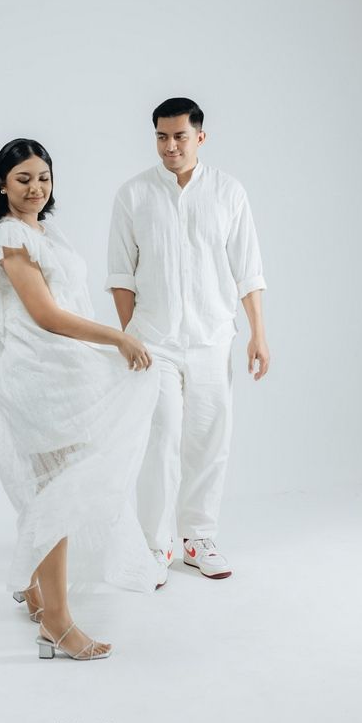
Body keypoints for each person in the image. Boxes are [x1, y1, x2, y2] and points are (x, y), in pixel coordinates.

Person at [0, 138, 160, 661]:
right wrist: (117, 338)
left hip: (62, 373)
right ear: (2, 184)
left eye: (43, 177)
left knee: (51, 492)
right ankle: (56, 623)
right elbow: (47, 315)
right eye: (23, 179)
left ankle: (37, 592)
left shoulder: (43, 230)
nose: (36, 188)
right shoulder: (10, 236)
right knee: (57, 495)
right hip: (39, 379)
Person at [105, 97, 270, 587]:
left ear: (200, 137)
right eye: (162, 136)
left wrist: (258, 334)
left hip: (212, 338)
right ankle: (156, 545)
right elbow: (121, 274)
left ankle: (198, 538)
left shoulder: (228, 192)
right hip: (153, 342)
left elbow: (248, 270)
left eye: (179, 136)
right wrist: (132, 336)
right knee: (160, 439)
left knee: (209, 439)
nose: (170, 146)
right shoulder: (133, 195)